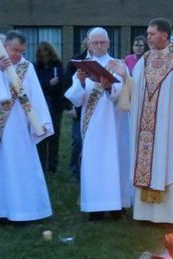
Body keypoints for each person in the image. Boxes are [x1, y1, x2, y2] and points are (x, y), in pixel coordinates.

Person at [112, 18, 173, 224]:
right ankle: (147, 214)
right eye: (147, 34)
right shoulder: (145, 59)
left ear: (164, 35)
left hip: (171, 126)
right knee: (149, 162)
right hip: (146, 129)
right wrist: (125, 78)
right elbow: (136, 88)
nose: (147, 37)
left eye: (151, 33)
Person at [0, 30, 54, 223]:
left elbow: (35, 94)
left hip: (20, 126)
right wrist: (0, 70)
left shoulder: (26, 66)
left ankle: (25, 211)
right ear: (4, 46)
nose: (18, 54)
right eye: (14, 50)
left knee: (22, 164)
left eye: (21, 51)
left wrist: (41, 122)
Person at [65, 27, 132, 221]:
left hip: (115, 123)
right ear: (89, 44)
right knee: (94, 163)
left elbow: (124, 95)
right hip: (93, 123)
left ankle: (117, 206)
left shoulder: (118, 65)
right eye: (95, 42)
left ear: (109, 43)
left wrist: (109, 87)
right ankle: (95, 207)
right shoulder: (83, 67)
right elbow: (76, 99)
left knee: (116, 161)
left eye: (103, 42)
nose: (99, 45)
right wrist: (79, 82)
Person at [65, 34, 93, 182]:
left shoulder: (109, 62)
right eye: (92, 40)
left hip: (97, 108)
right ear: (87, 42)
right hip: (79, 107)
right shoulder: (76, 61)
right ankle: (75, 170)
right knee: (77, 140)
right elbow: (67, 84)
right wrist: (69, 106)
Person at [34, 41, 64, 174]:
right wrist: (48, 83)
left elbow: (63, 84)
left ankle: (52, 165)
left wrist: (55, 84)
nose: (44, 57)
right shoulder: (35, 67)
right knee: (41, 135)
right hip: (40, 105)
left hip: (55, 104)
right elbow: (34, 85)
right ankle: (41, 164)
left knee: (54, 135)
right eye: (42, 55)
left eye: (47, 54)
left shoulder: (57, 66)